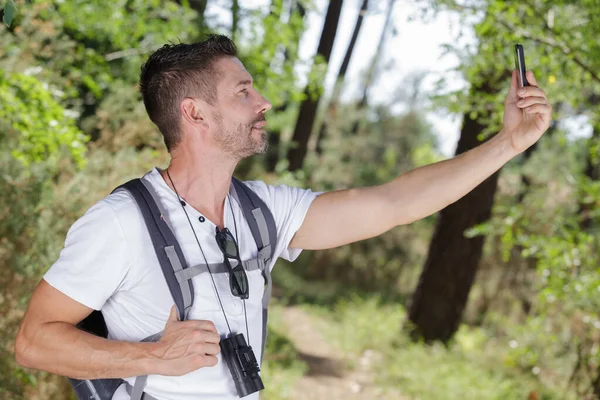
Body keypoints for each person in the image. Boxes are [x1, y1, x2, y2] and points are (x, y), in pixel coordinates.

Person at [14, 34, 552, 399]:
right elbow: (34, 341)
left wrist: (508, 143)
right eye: (243, 91)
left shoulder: (262, 210)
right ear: (194, 112)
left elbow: (392, 203)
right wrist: (148, 357)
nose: (263, 101)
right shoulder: (120, 222)